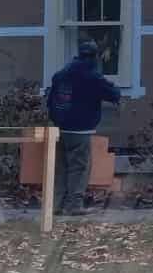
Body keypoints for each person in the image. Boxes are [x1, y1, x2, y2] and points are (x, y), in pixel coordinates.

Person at [46, 39, 120, 216]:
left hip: (59, 128)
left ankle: (56, 205)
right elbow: (113, 94)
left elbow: (50, 101)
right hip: (80, 130)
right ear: (94, 56)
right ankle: (74, 205)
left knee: (61, 168)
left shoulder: (61, 74)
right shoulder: (92, 76)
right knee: (79, 168)